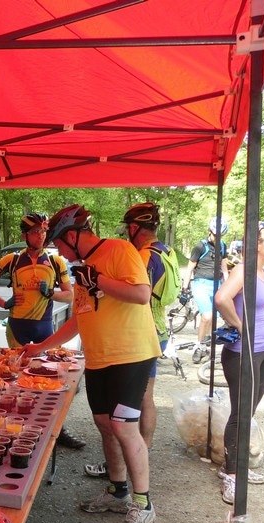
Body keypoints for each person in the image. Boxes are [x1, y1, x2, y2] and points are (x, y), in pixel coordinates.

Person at [22, 204, 160, 523]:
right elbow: (78, 319)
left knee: (123, 427)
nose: (59, 251)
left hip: (131, 355)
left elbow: (141, 294)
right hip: (98, 358)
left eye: (59, 243)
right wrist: (40, 347)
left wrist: (97, 279)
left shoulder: (119, 250)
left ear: (72, 235)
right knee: (105, 425)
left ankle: (143, 504)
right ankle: (117, 491)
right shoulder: (81, 267)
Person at [84, 202, 178, 478]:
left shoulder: (143, 256)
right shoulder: (167, 252)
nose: (127, 233)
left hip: (139, 333)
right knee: (146, 398)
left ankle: (133, 458)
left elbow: (137, 294)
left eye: (128, 229)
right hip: (159, 327)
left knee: (136, 405)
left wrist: (99, 282)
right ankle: (141, 452)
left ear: (135, 228)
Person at [0, 212, 84, 449]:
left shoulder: (56, 262)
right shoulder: (12, 260)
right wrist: (3, 303)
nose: (41, 236)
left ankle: (58, 430)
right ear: (25, 235)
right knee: (17, 382)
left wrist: (51, 293)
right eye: (35, 232)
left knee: (52, 383)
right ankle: (18, 429)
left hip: (45, 328)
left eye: (44, 231)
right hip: (17, 328)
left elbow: (70, 296)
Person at [213, 221, 264, 504]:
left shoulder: (262, 271)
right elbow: (221, 298)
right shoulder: (243, 270)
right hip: (242, 352)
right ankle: (231, 474)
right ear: (257, 243)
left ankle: (236, 465)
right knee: (240, 414)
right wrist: (240, 327)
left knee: (248, 412)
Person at [181, 218, 229, 344]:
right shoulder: (200, 246)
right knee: (207, 316)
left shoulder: (222, 246)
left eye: (220, 236)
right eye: (215, 235)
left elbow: (224, 269)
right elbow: (189, 269)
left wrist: (228, 287)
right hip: (201, 283)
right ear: (210, 231)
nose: (216, 238)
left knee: (215, 317)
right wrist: (184, 289)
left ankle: (207, 340)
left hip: (216, 284)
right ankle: (199, 345)